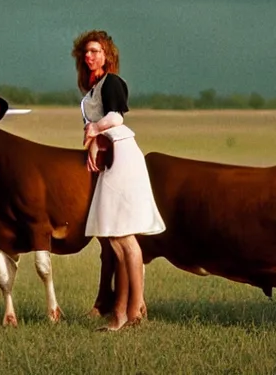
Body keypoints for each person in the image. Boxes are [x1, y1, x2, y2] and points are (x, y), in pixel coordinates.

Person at [75, 29, 164, 330]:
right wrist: (93, 141)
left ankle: (135, 309)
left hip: (121, 152)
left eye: (96, 51)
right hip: (109, 152)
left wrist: (94, 131)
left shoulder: (112, 82)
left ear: (107, 55)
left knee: (122, 235)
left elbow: (117, 118)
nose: (90, 56)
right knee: (114, 238)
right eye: (87, 52)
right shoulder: (92, 88)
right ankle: (121, 313)